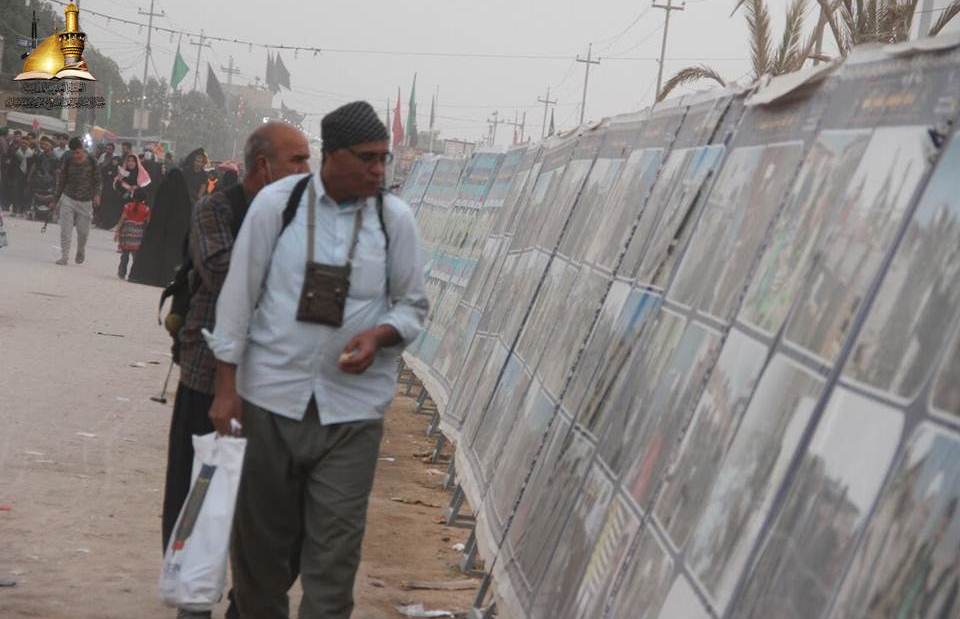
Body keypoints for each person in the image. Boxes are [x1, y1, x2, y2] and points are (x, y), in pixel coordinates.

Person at [206, 101, 428, 618]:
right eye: (368, 158)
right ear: (334, 155)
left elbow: (413, 305)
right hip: (270, 403)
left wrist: (381, 334)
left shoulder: (394, 221)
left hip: (351, 414)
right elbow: (238, 299)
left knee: (334, 562)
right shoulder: (278, 207)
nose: (379, 170)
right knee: (260, 559)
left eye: (384, 159)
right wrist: (225, 388)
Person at [161, 122, 310, 619]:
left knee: (280, 511)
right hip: (209, 379)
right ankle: (192, 599)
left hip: (277, 385)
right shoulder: (216, 209)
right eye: (297, 161)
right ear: (264, 166)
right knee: (198, 493)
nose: (307, 171)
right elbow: (225, 273)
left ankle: (245, 603)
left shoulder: (308, 217)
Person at [126, 168, 192, 286]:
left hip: (158, 229)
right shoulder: (184, 194)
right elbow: (186, 215)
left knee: (152, 251)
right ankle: (166, 278)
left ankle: (145, 275)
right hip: (175, 233)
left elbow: (157, 209)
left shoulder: (164, 187)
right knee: (171, 254)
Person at [54, 137, 100, 265]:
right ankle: (64, 256)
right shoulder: (67, 159)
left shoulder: (92, 160)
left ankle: (80, 249)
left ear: (83, 149)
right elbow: (61, 180)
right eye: (73, 153)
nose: (76, 156)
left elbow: (98, 180)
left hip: (86, 201)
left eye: (78, 152)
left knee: (83, 232)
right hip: (68, 198)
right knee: (65, 230)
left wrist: (97, 195)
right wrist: (55, 199)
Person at [115, 187, 151, 279]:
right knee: (136, 257)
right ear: (145, 198)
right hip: (138, 237)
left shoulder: (128, 206)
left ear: (133, 196)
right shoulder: (146, 209)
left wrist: (117, 232)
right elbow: (148, 223)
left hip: (126, 234)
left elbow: (122, 219)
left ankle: (121, 272)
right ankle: (134, 274)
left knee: (125, 255)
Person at [27, 136, 59, 222]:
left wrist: (57, 182)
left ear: (51, 146)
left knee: (49, 197)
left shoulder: (55, 158)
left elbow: (57, 172)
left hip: (50, 181)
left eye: (47, 145)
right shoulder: (40, 156)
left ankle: (49, 213)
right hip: (40, 180)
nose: (45, 146)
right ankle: (33, 211)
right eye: (43, 145)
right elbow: (35, 167)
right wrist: (30, 177)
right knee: (36, 195)